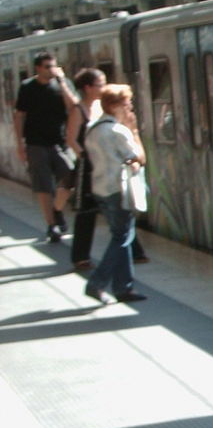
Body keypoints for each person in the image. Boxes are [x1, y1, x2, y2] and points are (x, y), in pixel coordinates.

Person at [66, 67, 148, 272]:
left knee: (120, 222)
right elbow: (72, 139)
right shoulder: (80, 110)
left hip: (105, 170)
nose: (102, 87)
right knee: (89, 214)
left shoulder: (100, 111)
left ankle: (135, 254)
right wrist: (86, 157)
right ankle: (83, 259)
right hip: (90, 168)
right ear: (87, 88)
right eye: (99, 84)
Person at [82, 84, 147, 304]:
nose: (129, 106)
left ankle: (124, 287)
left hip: (100, 189)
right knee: (121, 237)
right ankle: (97, 283)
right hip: (119, 190)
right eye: (126, 102)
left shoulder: (92, 128)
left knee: (122, 236)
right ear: (113, 105)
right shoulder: (119, 131)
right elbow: (139, 158)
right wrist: (135, 130)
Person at [13, 51, 77, 242]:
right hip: (35, 143)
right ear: (38, 68)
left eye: (54, 66)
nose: (52, 70)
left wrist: (63, 82)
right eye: (48, 66)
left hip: (61, 141)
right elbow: (19, 115)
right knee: (43, 186)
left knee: (70, 175)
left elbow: (73, 106)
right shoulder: (27, 87)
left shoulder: (62, 84)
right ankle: (52, 225)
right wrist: (19, 143)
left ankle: (57, 210)